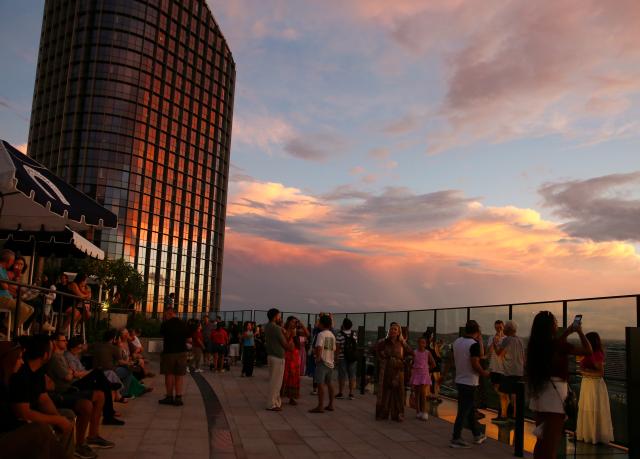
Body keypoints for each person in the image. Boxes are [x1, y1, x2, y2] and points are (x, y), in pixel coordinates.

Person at [10, 334, 94, 458]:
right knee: (55, 423)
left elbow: (43, 399)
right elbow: (23, 413)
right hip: (19, 419)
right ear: (45, 355)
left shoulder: (38, 371)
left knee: (68, 416)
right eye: (51, 349)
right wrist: (56, 420)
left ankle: (65, 454)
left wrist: (57, 417)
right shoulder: (22, 374)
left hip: (36, 409)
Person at [527, 311, 593, 459]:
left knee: (542, 441)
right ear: (550, 327)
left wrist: (568, 331)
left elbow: (555, 346)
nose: (557, 325)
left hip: (540, 396)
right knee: (552, 445)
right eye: (555, 322)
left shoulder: (535, 346)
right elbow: (588, 350)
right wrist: (580, 332)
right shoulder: (558, 346)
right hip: (555, 399)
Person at [0, 341, 68, 459]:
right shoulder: (16, 379)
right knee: (40, 431)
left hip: (10, 428)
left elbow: (44, 397)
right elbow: (18, 413)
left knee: (42, 431)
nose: (22, 362)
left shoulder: (7, 380)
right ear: (8, 361)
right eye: (19, 358)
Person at [48, 333, 124, 427]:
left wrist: (71, 372)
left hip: (74, 381)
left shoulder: (62, 356)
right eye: (63, 340)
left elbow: (71, 371)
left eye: (66, 340)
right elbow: (68, 376)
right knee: (98, 374)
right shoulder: (56, 358)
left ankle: (108, 412)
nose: (66, 342)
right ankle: (108, 411)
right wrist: (71, 372)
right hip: (71, 385)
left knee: (101, 382)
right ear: (55, 342)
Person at [449, 320, 489, 448]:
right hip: (470, 382)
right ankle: (456, 437)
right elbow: (476, 362)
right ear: (477, 331)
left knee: (470, 409)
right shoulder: (474, 345)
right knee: (463, 411)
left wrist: (480, 341)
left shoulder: (457, 342)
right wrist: (484, 373)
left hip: (460, 379)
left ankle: (477, 434)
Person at [576, 331, 613, 445]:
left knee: (592, 408)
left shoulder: (596, 354)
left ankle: (593, 435)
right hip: (588, 384)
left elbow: (600, 373)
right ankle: (589, 434)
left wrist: (585, 372)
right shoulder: (587, 353)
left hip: (594, 385)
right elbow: (578, 360)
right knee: (588, 408)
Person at [375, 322, 412, 421]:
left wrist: (404, 361)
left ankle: (398, 414)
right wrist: (381, 358)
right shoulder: (384, 342)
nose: (393, 331)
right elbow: (375, 351)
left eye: (395, 329)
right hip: (386, 368)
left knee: (399, 392)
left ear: (399, 332)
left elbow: (411, 353)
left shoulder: (402, 343)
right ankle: (383, 413)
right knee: (385, 391)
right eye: (391, 329)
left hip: (399, 369)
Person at [158, 308, 190, 406]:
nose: (165, 317)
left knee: (169, 374)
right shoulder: (183, 324)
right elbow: (188, 337)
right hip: (182, 352)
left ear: (170, 313)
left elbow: (162, 334)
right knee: (179, 375)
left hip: (169, 353)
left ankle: (169, 397)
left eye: (165, 315)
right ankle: (178, 398)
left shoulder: (165, 324)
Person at [494, 320, 524, 420]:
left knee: (503, 394)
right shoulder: (520, 340)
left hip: (508, 372)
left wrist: (495, 344)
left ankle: (503, 415)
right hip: (519, 372)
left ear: (509, 329)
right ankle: (515, 416)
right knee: (515, 395)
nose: (504, 329)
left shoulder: (507, 340)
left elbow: (499, 353)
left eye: (505, 328)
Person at [0, 249, 34, 334]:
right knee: (24, 309)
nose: (13, 263)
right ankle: (6, 329)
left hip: (7, 297)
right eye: (13, 261)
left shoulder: (3, 270)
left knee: (31, 309)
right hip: (2, 298)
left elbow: (7, 285)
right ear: (9, 260)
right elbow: (5, 286)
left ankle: (7, 328)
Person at [265, 308, 293, 411]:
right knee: (276, 382)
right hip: (277, 357)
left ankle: (276, 402)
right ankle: (272, 404)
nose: (280, 317)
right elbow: (284, 344)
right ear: (275, 316)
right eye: (279, 316)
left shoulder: (267, 326)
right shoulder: (276, 328)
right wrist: (290, 344)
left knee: (274, 381)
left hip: (271, 356)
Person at [309, 314, 336, 414]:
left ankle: (320, 406)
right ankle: (331, 404)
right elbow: (334, 349)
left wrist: (318, 358)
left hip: (322, 362)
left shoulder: (321, 334)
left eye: (319, 322)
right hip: (330, 362)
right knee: (330, 384)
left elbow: (319, 347)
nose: (318, 323)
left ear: (322, 324)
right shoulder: (332, 335)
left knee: (320, 384)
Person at [485, 320, 506, 420]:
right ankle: (503, 412)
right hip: (494, 367)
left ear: (503, 327)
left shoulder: (506, 339)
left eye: (500, 328)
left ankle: (503, 414)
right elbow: (488, 353)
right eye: (496, 328)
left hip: (503, 368)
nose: (498, 330)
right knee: (497, 390)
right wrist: (494, 343)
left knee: (502, 392)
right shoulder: (491, 338)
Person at [411, 336, 436, 421]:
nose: (421, 344)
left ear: (426, 344)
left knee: (422, 393)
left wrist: (427, 369)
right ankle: (418, 411)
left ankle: (424, 411)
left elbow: (433, 364)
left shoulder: (427, 353)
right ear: (417, 343)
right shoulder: (414, 352)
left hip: (424, 374)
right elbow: (412, 362)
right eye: (420, 342)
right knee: (417, 393)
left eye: (423, 343)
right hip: (416, 373)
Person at [335, 318, 358, 400]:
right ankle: (351, 393)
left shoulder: (339, 334)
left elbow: (337, 348)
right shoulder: (354, 334)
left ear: (343, 325)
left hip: (342, 357)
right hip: (352, 358)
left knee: (342, 376)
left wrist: (336, 358)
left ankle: (341, 393)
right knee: (352, 376)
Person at [281, 316, 301, 405]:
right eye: (293, 322)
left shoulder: (296, 332)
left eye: (295, 322)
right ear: (288, 322)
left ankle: (292, 397)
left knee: (294, 377)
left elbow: (299, 345)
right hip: (286, 355)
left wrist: (295, 333)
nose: (294, 324)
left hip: (295, 357)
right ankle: (279, 396)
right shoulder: (283, 330)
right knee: (284, 376)